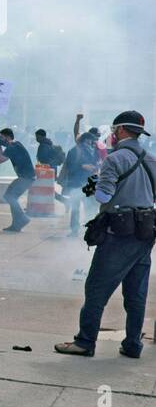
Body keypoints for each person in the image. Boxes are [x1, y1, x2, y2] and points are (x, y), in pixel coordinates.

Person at [55, 112, 156, 359]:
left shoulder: (114, 159)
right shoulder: (152, 159)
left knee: (97, 288)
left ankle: (85, 341)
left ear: (120, 130)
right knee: (136, 293)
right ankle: (133, 344)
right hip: (145, 232)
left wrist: (98, 185)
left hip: (119, 233)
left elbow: (103, 197)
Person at [0, 128, 36, 232]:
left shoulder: (12, 147)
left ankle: (22, 219)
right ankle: (17, 224)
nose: (1, 140)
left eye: (2, 137)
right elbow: (0, 157)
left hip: (26, 178)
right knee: (11, 197)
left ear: (7, 137)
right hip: (26, 177)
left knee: (9, 196)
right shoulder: (16, 144)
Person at [60, 130, 101, 236]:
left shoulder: (94, 151)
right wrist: (82, 166)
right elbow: (70, 167)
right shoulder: (74, 151)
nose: (93, 143)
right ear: (86, 140)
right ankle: (74, 230)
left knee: (90, 207)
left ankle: (89, 229)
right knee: (75, 208)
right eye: (92, 141)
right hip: (76, 183)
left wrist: (95, 167)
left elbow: (97, 164)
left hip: (90, 182)